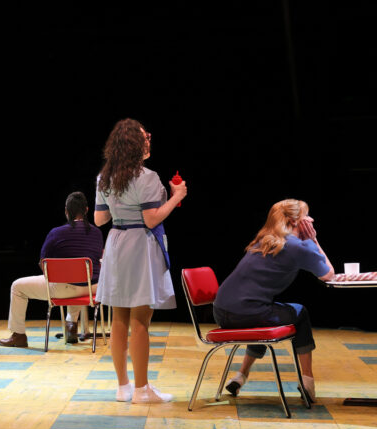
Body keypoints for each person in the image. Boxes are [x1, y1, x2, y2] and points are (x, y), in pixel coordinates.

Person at [94, 119, 186, 403]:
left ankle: (123, 387)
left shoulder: (104, 177)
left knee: (119, 317)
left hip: (116, 242)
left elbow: (99, 219)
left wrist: (119, 207)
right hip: (139, 245)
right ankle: (142, 390)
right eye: (145, 137)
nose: (149, 140)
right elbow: (151, 219)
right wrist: (177, 197)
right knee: (140, 319)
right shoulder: (147, 177)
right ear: (135, 144)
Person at [214, 199, 333, 402]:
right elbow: (328, 274)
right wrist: (313, 239)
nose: (311, 220)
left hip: (221, 312)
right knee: (300, 313)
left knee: (265, 316)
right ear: (295, 221)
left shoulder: (265, 240)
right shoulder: (298, 246)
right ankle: (307, 382)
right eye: (307, 216)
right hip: (247, 314)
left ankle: (240, 375)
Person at [0, 191, 105, 348]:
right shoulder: (97, 233)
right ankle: (71, 324)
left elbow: (43, 264)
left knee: (17, 287)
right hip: (93, 288)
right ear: (87, 210)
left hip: (66, 288)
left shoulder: (56, 233)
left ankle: (18, 335)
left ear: (66, 211)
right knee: (78, 280)